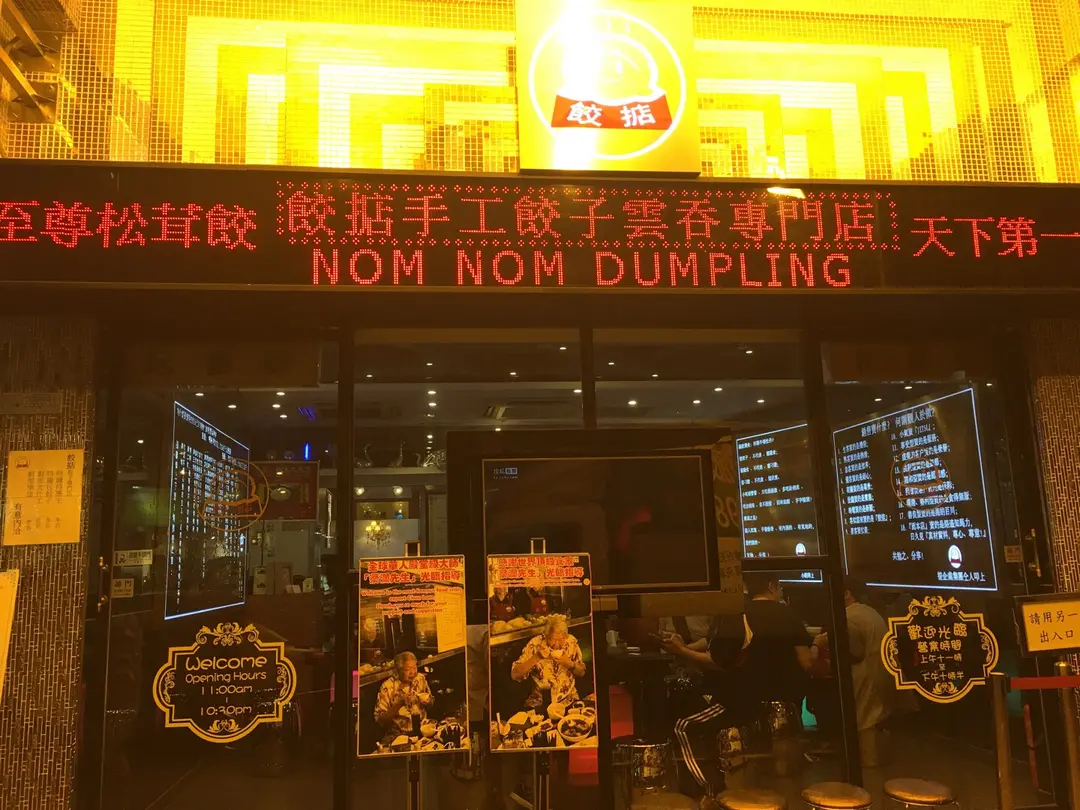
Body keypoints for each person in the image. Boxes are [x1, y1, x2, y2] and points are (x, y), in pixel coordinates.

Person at [661, 613, 753, 798]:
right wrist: (682, 646)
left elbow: (716, 660)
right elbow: (710, 642)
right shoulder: (723, 616)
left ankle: (706, 789)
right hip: (723, 691)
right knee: (679, 711)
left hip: (734, 697)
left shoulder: (733, 618)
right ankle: (700, 787)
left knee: (682, 725)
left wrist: (682, 651)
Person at [814, 577, 893, 765]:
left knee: (864, 723)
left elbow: (854, 652)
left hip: (865, 676)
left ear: (846, 594)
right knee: (873, 720)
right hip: (881, 673)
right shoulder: (870, 612)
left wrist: (822, 643)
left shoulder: (849, 617)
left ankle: (868, 766)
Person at [511, 615, 586, 710]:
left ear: (566, 636)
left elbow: (581, 672)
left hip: (568, 700)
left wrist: (569, 663)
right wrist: (537, 657)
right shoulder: (535, 644)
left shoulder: (571, 642)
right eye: (552, 639)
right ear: (545, 636)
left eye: (561, 639)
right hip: (540, 703)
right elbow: (515, 674)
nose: (557, 645)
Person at [374, 651, 434, 737]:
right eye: (407, 669)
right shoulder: (387, 687)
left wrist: (427, 701)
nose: (413, 672)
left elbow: (431, 703)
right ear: (398, 670)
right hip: (398, 734)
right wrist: (399, 704)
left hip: (423, 729)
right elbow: (380, 720)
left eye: (414, 668)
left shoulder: (420, 678)